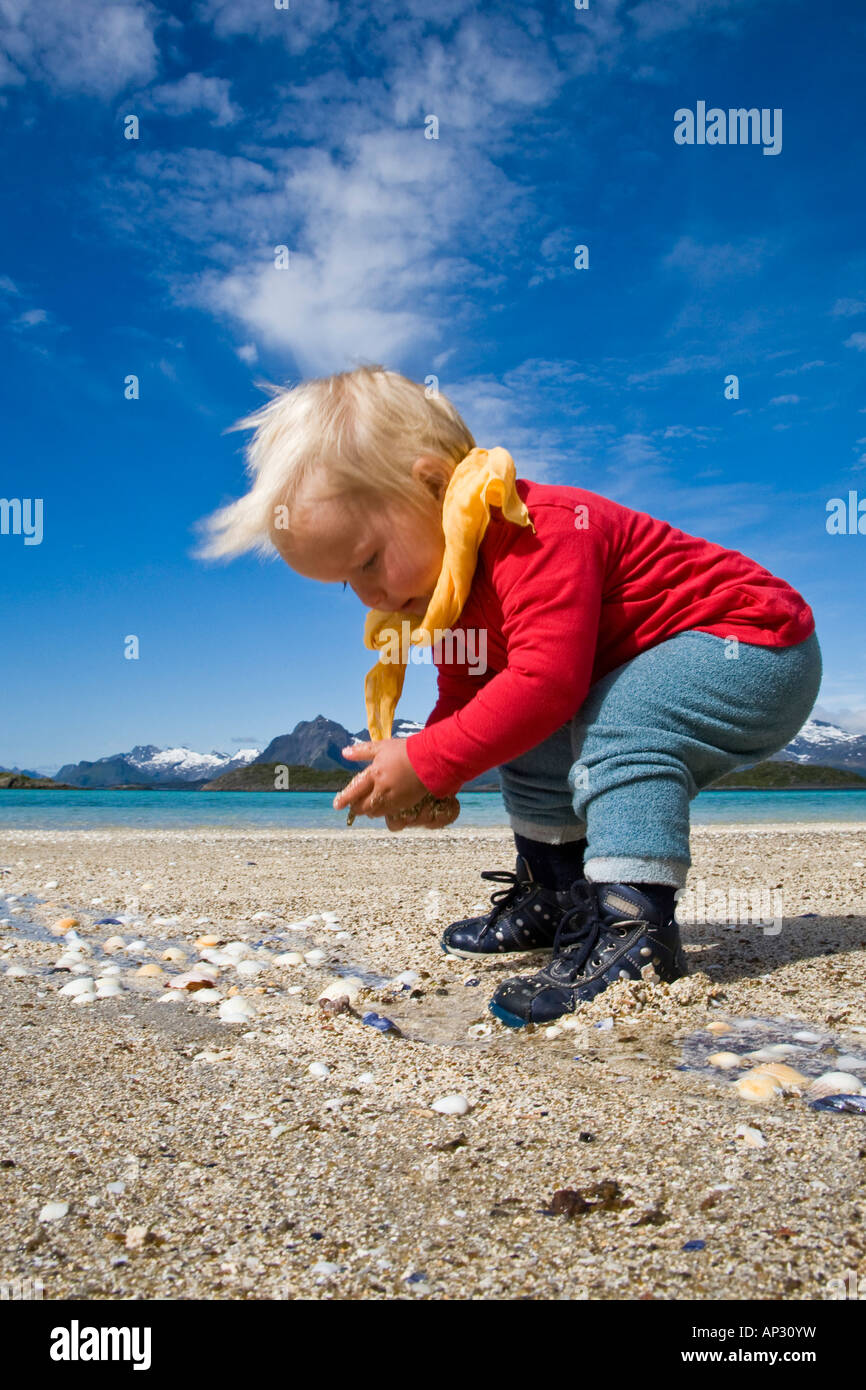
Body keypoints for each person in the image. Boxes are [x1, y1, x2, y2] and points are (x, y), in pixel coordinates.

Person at [195, 364, 821, 1028]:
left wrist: (432, 760)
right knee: (517, 722)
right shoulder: (450, 592)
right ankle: (556, 891)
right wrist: (427, 774)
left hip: (757, 645)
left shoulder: (536, 528)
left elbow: (548, 682)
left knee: (612, 718)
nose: (370, 598)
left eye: (368, 561)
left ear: (434, 484)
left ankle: (638, 928)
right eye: (346, 584)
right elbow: (468, 700)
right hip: (678, 661)